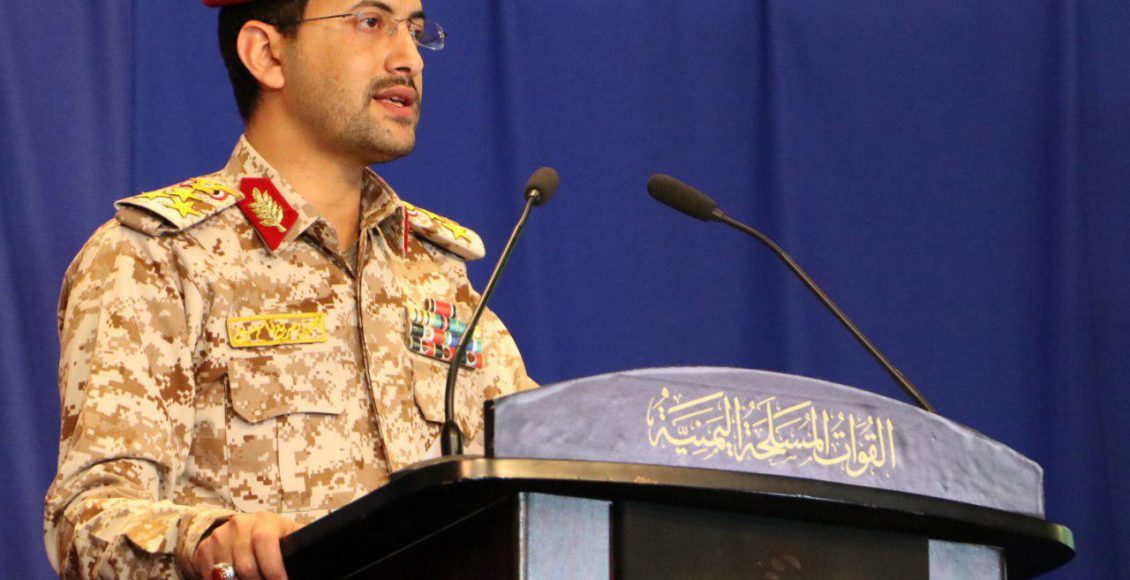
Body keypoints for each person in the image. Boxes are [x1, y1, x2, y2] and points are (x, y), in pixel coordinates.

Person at [43, 0, 537, 578]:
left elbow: (546, 459)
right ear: (267, 54)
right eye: (371, 22)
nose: (409, 58)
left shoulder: (435, 268)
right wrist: (204, 541)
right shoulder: (158, 257)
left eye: (416, 30)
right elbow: (87, 521)